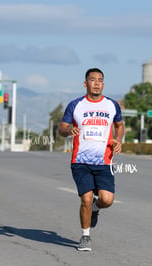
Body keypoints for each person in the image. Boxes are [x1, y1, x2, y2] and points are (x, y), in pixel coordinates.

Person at [58, 68, 124, 251]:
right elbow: (61, 128)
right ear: (85, 84)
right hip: (80, 161)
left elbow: (119, 125)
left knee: (107, 200)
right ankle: (85, 236)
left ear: (103, 84)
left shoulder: (112, 105)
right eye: (93, 80)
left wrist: (118, 140)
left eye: (100, 80)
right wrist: (68, 131)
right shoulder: (76, 105)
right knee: (85, 198)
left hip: (105, 161)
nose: (97, 83)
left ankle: (96, 209)